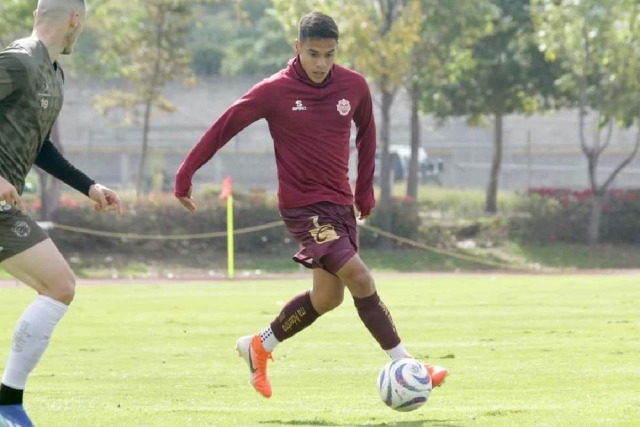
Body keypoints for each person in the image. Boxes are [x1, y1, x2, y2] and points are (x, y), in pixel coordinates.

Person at [174, 11, 448, 399]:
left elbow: (367, 134)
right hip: (304, 208)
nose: (321, 63)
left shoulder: (354, 85)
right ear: (297, 48)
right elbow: (226, 125)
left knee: (327, 298)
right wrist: (186, 173)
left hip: (340, 205)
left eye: (329, 54)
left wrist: (364, 191)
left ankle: (259, 346)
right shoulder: (274, 90)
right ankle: (407, 365)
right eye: (313, 53)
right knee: (361, 278)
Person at [0, 1, 122, 424]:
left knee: (59, 285)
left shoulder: (53, 72)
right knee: (60, 285)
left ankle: (8, 404)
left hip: (1, 209)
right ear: (75, 20)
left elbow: (41, 147)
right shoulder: (18, 60)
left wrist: (88, 186)